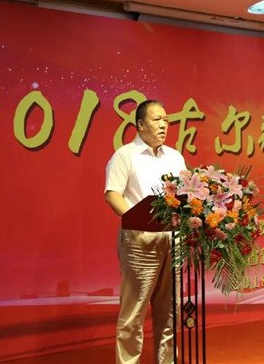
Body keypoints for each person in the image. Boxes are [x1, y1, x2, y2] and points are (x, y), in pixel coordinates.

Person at [105, 100, 186, 364]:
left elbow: (186, 194)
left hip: (172, 240)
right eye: (156, 119)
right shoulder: (125, 155)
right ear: (140, 124)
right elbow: (112, 194)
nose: (163, 125)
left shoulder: (175, 157)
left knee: (170, 310)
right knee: (134, 312)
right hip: (140, 241)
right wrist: (135, 218)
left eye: (166, 120)